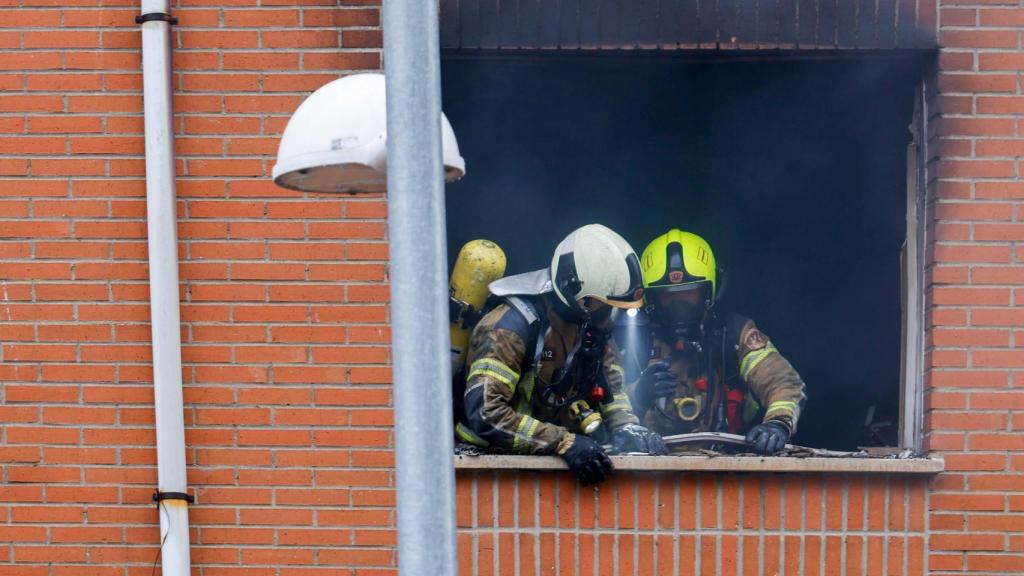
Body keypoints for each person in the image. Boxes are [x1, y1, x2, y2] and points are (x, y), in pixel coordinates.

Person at [455, 224, 667, 485]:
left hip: (547, 469)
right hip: (485, 471)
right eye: (607, 308)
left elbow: (611, 383)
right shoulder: (509, 328)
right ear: (579, 296)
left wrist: (625, 425)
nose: (611, 320)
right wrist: (562, 442)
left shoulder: (590, 324)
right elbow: (486, 413)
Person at [627, 229, 807, 455]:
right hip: (646, 467)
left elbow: (783, 382)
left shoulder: (732, 333)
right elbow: (605, 405)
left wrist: (778, 423)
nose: (678, 305)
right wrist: (638, 395)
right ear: (650, 299)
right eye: (667, 296)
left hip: (726, 463)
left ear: (709, 292)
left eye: (688, 294)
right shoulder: (634, 339)